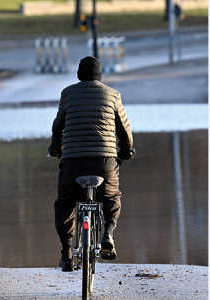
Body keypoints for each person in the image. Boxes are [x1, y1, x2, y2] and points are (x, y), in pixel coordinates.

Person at [48, 56, 135, 272]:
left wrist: (55, 147)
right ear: (100, 75)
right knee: (112, 196)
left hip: (72, 162)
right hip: (105, 162)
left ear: (79, 74)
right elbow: (124, 129)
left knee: (65, 203)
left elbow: (58, 126)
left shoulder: (67, 94)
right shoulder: (113, 95)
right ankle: (108, 234)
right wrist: (126, 150)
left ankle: (67, 255)